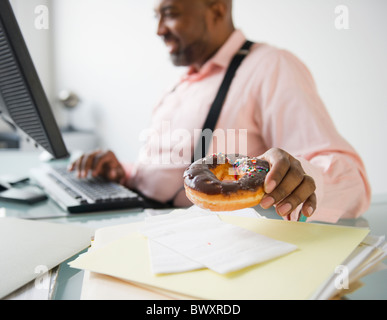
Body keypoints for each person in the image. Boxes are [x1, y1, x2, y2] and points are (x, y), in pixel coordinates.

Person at [70, 0, 371, 223]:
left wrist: (299, 175)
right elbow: (169, 170)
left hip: (198, 248)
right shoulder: (180, 85)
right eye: (156, 16)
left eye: (171, 13)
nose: (159, 29)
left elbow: (353, 184)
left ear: (216, 8)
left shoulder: (270, 66)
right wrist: (124, 173)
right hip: (131, 219)